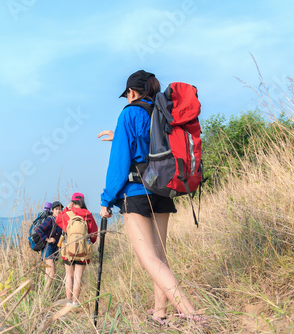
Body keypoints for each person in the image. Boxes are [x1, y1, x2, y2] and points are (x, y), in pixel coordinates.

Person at [99, 70, 200, 324]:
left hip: (136, 193)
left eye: (127, 95)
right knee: (160, 257)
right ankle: (160, 313)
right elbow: (150, 146)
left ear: (132, 93)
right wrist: (117, 137)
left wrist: (106, 199)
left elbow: (120, 162)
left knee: (148, 259)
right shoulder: (162, 113)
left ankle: (190, 312)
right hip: (162, 189)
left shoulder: (129, 113)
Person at [56, 193, 98, 307]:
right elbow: (94, 235)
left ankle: (68, 303)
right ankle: (75, 303)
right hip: (82, 251)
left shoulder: (67, 214)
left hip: (68, 250)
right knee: (78, 277)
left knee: (68, 275)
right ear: (83, 202)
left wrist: (66, 209)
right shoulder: (88, 215)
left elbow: (57, 220)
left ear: (72, 202)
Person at [35, 201, 63, 291]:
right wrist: (47, 239)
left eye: (60, 209)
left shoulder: (59, 221)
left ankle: (43, 293)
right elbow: (38, 229)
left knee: (48, 272)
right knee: (52, 273)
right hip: (48, 248)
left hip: (54, 248)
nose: (58, 211)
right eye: (56, 209)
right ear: (52, 210)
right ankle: (45, 294)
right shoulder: (50, 219)